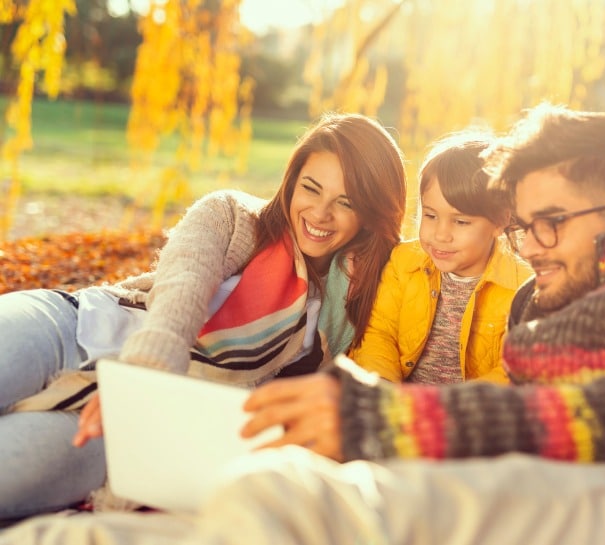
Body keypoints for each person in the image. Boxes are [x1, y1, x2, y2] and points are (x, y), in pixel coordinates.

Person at [0, 104, 605, 545]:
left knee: (325, 507)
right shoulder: (540, 314)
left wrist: (379, 419)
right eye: (522, 227)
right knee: (277, 492)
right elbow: (515, 449)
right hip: (552, 499)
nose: (530, 248)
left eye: (548, 223)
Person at [0, 111, 407, 520]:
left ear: (371, 212)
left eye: (346, 202)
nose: (320, 213)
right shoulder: (233, 217)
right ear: (292, 180)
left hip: (142, 428)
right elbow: (182, 285)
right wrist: (145, 373)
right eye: (311, 189)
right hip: (75, 331)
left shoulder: (347, 315)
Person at [347, 131, 532, 384]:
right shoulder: (404, 262)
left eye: (461, 221)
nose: (441, 235)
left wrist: (446, 409)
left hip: (467, 414)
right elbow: (379, 332)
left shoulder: (521, 288)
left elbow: (512, 370)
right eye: (431, 215)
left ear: (500, 220)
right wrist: (384, 388)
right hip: (396, 402)